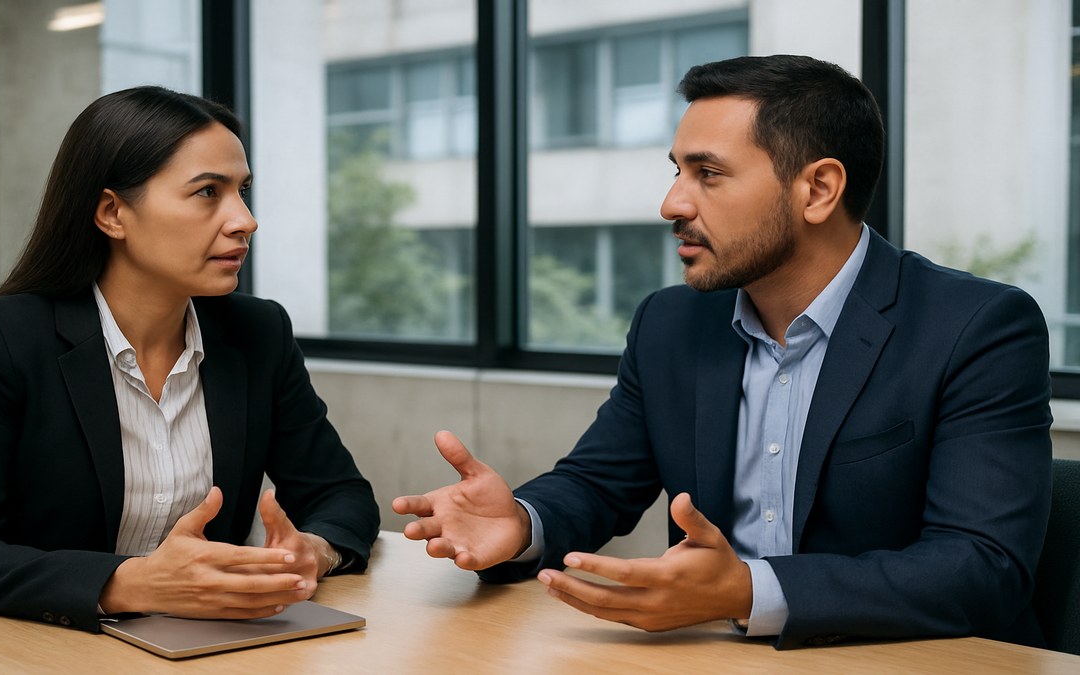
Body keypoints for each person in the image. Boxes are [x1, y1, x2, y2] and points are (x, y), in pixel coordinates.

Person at [393, 55, 1053, 649]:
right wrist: (522, 521)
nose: (670, 203)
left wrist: (747, 590)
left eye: (708, 173)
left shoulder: (976, 327)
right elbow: (598, 483)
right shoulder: (670, 322)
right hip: (714, 659)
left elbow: (982, 565)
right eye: (677, 171)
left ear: (819, 189)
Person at [0, 86, 380, 633]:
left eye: (242, 192)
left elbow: (340, 493)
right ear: (113, 213)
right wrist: (133, 583)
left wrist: (311, 552)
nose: (244, 220)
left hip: (215, 644)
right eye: (208, 192)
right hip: (44, 649)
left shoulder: (257, 333)